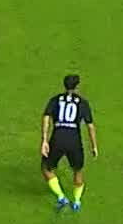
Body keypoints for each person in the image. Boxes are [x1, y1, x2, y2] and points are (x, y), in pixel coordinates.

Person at [41, 73, 98, 212]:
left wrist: (44, 140)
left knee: (46, 168)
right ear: (77, 87)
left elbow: (46, 117)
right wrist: (94, 146)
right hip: (74, 140)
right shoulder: (83, 103)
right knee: (77, 171)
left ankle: (61, 197)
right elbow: (90, 126)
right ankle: (77, 202)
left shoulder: (55, 100)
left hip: (58, 138)